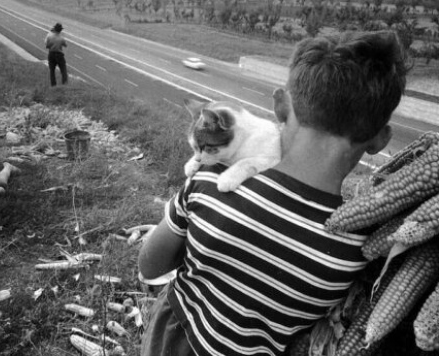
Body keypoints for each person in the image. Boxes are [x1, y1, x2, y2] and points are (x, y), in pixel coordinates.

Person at [137, 31, 408, 356]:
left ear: (281, 105)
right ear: (380, 140)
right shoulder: (355, 249)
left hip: (172, 344)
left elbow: (150, 265)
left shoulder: (210, 184)